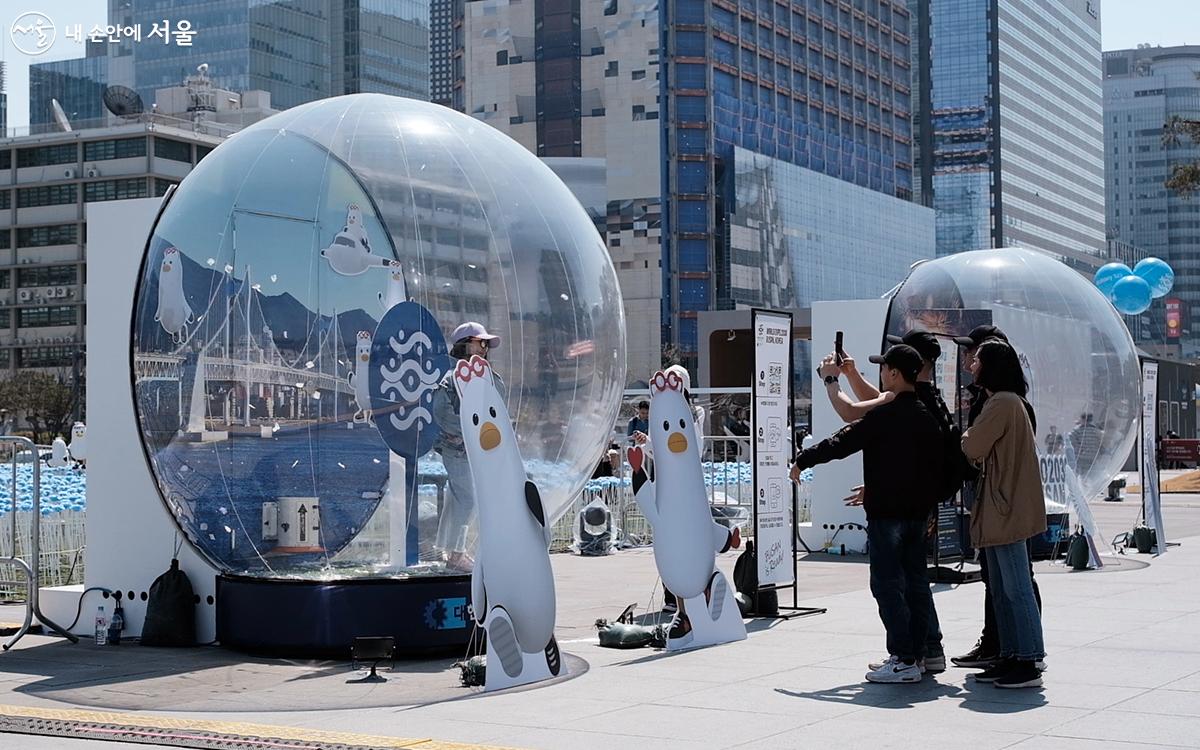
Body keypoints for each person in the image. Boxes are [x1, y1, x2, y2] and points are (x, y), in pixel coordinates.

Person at [792, 345, 944, 684]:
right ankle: (918, 656)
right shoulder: (923, 413)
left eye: (883, 369)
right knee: (917, 584)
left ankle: (903, 658)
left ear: (892, 373)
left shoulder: (886, 413)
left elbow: (843, 436)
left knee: (888, 585)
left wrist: (803, 460)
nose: (881, 374)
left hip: (888, 515)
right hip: (917, 514)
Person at [950, 325, 1044, 671]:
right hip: (1003, 506)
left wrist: (966, 435)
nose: (971, 365)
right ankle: (1012, 652)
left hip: (1004, 508)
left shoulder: (1001, 403)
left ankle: (1028, 657)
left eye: (977, 360)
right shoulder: (1008, 401)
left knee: (1015, 588)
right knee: (1006, 588)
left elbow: (973, 446)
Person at [432, 322, 503, 571]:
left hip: (476, 449)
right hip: (458, 448)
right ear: (465, 345)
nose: (484, 348)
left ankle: (445, 548)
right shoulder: (450, 379)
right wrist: (467, 432)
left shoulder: (489, 377)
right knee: (467, 499)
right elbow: (441, 413)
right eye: (479, 342)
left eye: (485, 344)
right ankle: (456, 554)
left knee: (458, 497)